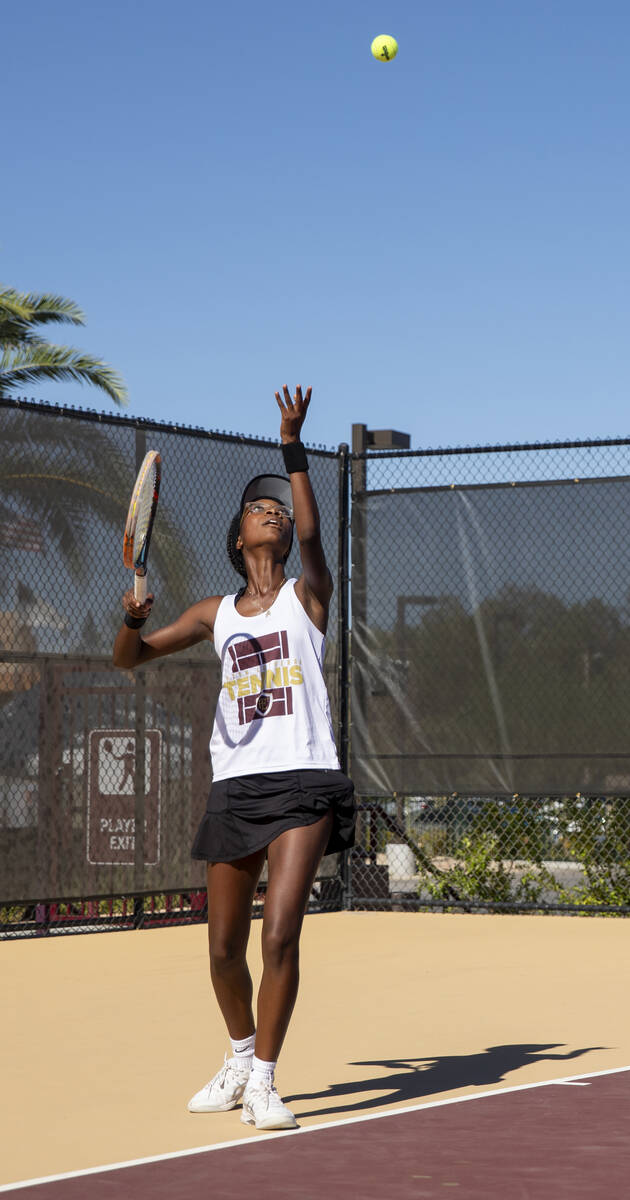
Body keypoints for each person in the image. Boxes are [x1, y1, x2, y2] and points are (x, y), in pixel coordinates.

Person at [113, 386, 354, 1131]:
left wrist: (293, 448)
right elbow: (130, 660)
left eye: (279, 509)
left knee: (280, 932)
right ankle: (239, 1057)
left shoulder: (308, 598)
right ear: (238, 534)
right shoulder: (214, 614)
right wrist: (129, 617)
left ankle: (267, 1082)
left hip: (305, 782)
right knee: (222, 948)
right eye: (261, 508)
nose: (274, 512)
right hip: (236, 787)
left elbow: (313, 534)